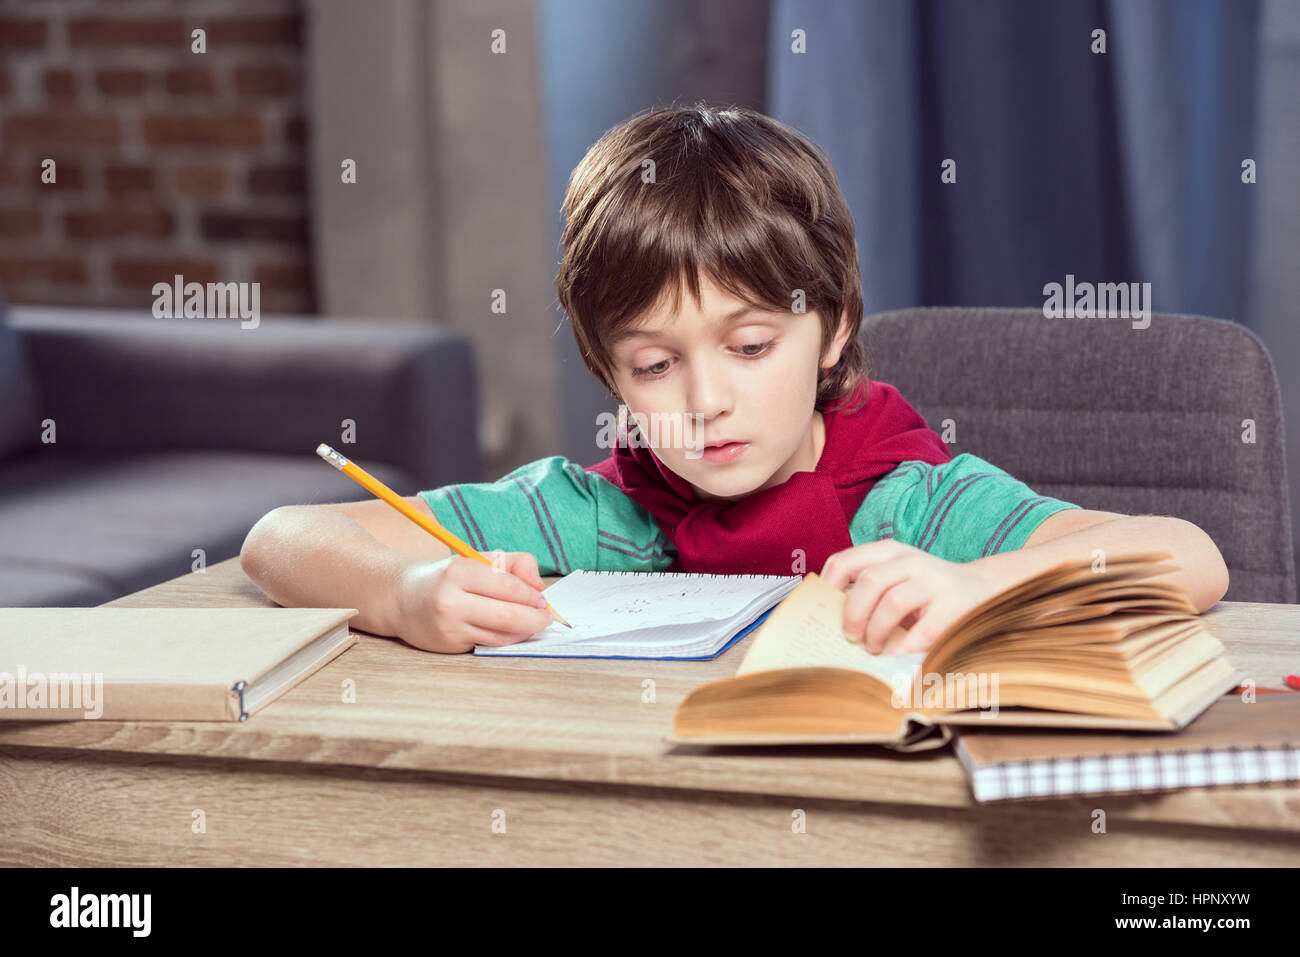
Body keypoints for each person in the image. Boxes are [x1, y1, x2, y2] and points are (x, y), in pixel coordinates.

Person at [240, 104, 1229, 654]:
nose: (703, 401)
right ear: (609, 375)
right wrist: (405, 591)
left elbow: (1185, 555)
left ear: (832, 330)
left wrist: (978, 585)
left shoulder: (913, 506)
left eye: (749, 348)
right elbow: (280, 538)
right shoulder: (590, 515)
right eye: (654, 364)